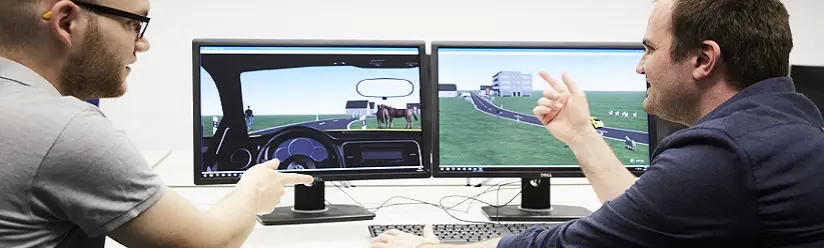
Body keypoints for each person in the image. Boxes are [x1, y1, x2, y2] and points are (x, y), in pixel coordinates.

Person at [371, 0, 824, 247]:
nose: (639, 67)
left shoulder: (723, 154)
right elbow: (645, 217)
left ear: (703, 59)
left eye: (648, 49)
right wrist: (580, 133)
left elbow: (576, 245)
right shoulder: (789, 125)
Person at [0, 0, 312, 247]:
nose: (143, 44)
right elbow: (210, 243)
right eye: (134, 24)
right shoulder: (66, 128)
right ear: (67, 21)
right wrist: (254, 187)